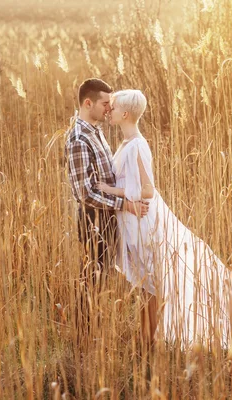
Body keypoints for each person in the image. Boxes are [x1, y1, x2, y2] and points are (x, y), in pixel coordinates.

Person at [97, 89, 232, 350]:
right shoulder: (126, 143)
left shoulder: (137, 145)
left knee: (152, 282)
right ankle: (148, 341)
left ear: (124, 114)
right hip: (131, 218)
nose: (109, 112)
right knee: (147, 283)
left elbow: (148, 190)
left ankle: (149, 342)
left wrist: (110, 190)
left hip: (143, 221)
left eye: (112, 109)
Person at [64, 78, 149, 339]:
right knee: (92, 278)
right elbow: (85, 193)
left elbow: (108, 177)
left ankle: (95, 334)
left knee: (101, 279)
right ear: (87, 103)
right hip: (94, 220)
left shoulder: (96, 130)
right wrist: (125, 204)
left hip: (109, 217)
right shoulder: (79, 139)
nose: (108, 109)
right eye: (104, 104)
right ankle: (83, 338)